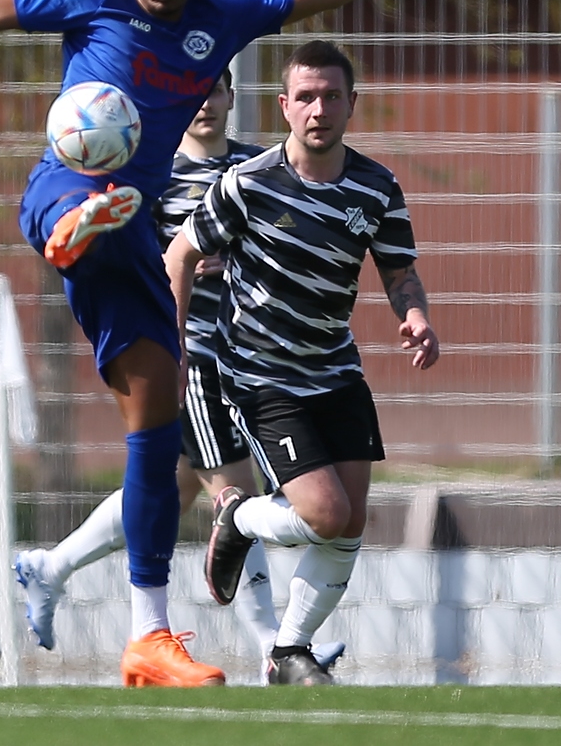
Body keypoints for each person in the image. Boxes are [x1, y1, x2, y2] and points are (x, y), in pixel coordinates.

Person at [0, 0, 499, 687]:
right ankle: (69, 227)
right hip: (70, 187)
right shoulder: (92, 0)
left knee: (155, 414)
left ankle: (148, 635)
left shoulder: (217, 23)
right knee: (88, 209)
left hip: (138, 238)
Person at [13, 68, 307, 683]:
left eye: (216, 92)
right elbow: (133, 250)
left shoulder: (253, 169)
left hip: (243, 354)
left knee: (164, 494)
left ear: (232, 97)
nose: (204, 104)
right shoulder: (154, 172)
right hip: (187, 355)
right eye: (193, 94)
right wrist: (181, 258)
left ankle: (53, 566)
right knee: (235, 495)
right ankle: (272, 648)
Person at [168, 40, 439, 686]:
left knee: (349, 520)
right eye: (306, 97)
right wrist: (175, 349)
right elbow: (178, 256)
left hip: (335, 367)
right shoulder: (247, 182)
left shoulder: (376, 186)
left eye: (332, 95)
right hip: (261, 371)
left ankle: (289, 651)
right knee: (321, 512)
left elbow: (399, 270)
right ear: (285, 105)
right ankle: (237, 515)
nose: (319, 108)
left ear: (352, 103)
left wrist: (417, 314)